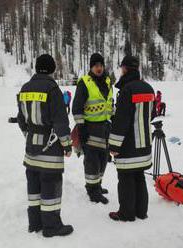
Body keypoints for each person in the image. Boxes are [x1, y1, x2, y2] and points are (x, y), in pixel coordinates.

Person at [17, 54, 73, 238]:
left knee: (33, 188)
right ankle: (51, 227)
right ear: (51, 69)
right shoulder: (52, 89)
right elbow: (60, 121)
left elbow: (21, 119)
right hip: (50, 150)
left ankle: (35, 223)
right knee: (51, 188)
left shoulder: (24, 89)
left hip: (31, 149)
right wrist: (67, 145)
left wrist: (29, 135)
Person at [108, 55, 155, 222]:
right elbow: (152, 114)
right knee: (139, 176)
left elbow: (121, 122)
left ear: (125, 69)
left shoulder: (127, 90)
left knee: (126, 177)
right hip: (145, 143)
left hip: (129, 145)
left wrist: (114, 146)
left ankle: (126, 213)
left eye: (122, 68)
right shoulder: (149, 88)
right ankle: (141, 212)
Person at [72, 53, 114, 205]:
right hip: (89, 129)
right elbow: (76, 107)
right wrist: (81, 127)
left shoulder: (108, 82)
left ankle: (97, 185)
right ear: (91, 67)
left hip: (104, 128)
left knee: (103, 160)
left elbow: (109, 104)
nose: (99, 68)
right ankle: (92, 190)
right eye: (96, 65)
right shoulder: (85, 82)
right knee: (92, 161)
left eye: (101, 65)